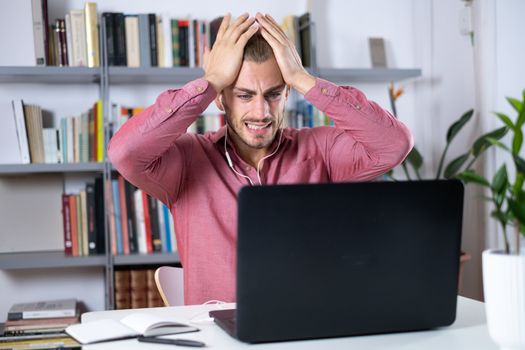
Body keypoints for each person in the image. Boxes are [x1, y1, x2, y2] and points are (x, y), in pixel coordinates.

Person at [108, 13, 413, 305]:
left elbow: (393, 145)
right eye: (243, 95)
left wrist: (303, 78)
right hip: (218, 338)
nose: (261, 113)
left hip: (306, 331)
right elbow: (125, 153)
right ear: (221, 98)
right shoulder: (187, 161)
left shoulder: (320, 150)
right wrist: (211, 80)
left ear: (287, 94)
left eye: (273, 93)